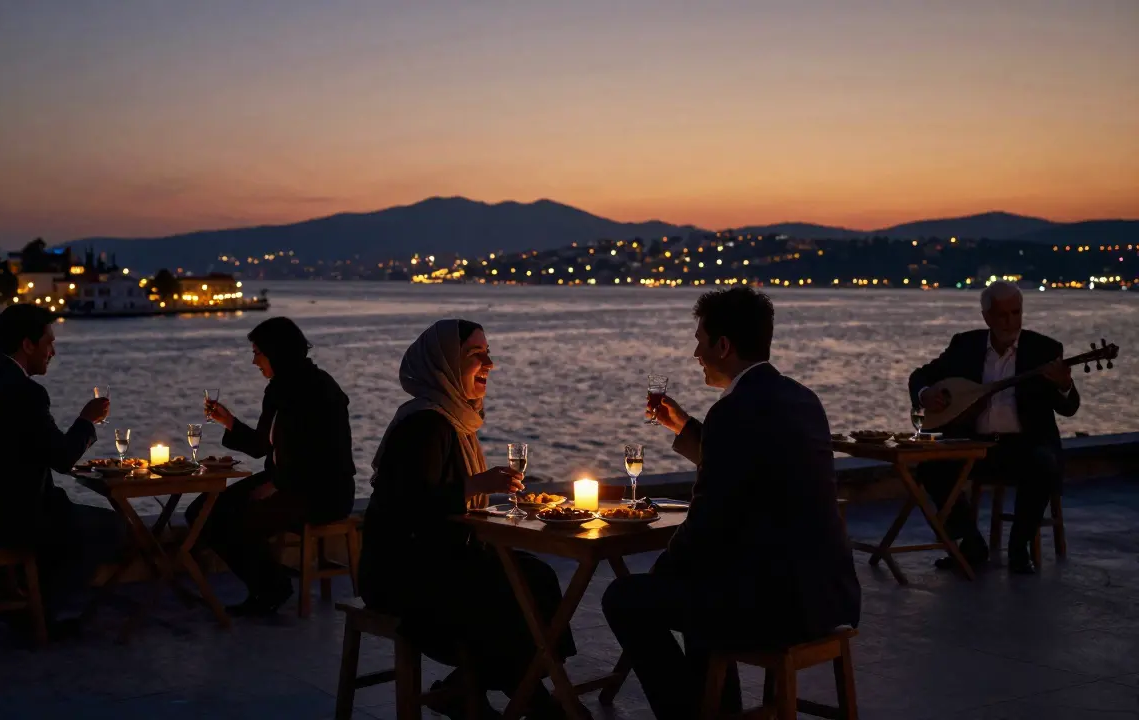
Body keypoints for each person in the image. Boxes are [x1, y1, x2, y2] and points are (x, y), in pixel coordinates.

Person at [602, 287, 861, 720]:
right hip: (830, 594)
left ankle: (691, 713)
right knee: (704, 587)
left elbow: (707, 522)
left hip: (779, 606)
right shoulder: (802, 398)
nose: (695, 352)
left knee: (626, 598)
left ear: (723, 346)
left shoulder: (734, 411)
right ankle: (718, 708)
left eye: (701, 340)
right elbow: (750, 464)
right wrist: (684, 425)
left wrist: (661, 572)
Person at [359, 319, 580, 720]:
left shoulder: (453, 420)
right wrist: (475, 483)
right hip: (401, 571)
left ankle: (469, 686)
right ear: (443, 363)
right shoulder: (425, 424)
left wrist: (479, 490)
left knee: (535, 577)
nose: (490, 363)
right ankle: (531, 696)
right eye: (476, 354)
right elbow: (406, 506)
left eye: (488, 352)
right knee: (513, 591)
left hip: (437, 556)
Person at [0, 303, 121, 634]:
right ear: (27, 345)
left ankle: (27, 601)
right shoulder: (26, 393)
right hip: (4, 521)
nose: (53, 351)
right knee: (111, 527)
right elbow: (62, 457)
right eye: (49, 342)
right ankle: (39, 616)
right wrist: (86, 420)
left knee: (62, 520)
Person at [909, 280, 1078, 575]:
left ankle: (1019, 548)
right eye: (1003, 315)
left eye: (1016, 313)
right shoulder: (965, 345)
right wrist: (926, 394)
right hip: (973, 446)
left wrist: (1064, 385)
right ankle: (970, 542)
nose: (1011, 321)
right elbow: (921, 375)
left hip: (1024, 447)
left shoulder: (1044, 350)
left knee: (1043, 463)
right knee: (930, 466)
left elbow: (1069, 407)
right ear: (986, 316)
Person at [193, 316, 356, 615]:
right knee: (202, 510)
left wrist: (278, 485)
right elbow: (261, 446)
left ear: (276, 351)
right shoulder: (278, 388)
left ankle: (271, 589)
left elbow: (325, 456)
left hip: (323, 491)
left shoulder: (320, 389)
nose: (254, 361)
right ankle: (270, 580)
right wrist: (228, 421)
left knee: (236, 521)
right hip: (284, 479)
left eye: (258, 352)